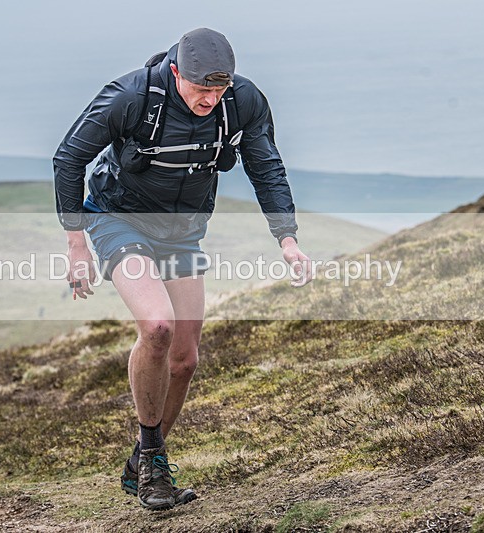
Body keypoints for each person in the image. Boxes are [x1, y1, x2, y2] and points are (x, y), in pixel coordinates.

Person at [53, 27, 311, 511]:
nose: (211, 100)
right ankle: (153, 462)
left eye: (220, 90)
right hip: (118, 219)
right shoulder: (130, 97)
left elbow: (266, 165)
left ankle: (144, 461)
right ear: (176, 73)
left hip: (182, 231)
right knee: (157, 327)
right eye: (202, 90)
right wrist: (75, 245)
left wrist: (288, 239)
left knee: (186, 359)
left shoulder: (243, 101)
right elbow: (68, 159)